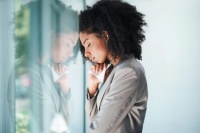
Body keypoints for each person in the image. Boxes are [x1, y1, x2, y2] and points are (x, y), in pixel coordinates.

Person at [79, 0, 148, 133]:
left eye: (88, 44)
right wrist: (92, 88)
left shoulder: (129, 72)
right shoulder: (115, 70)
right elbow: (94, 119)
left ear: (105, 36)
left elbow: (99, 129)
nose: (86, 53)